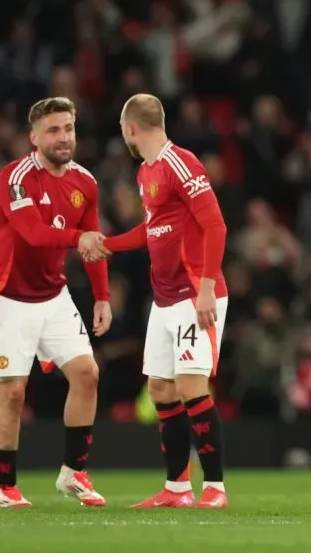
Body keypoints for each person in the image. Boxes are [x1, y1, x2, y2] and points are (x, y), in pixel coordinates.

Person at [84, 93, 229, 509]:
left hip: (194, 294)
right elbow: (153, 231)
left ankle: (215, 487)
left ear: (130, 129)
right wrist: (107, 245)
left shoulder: (180, 163)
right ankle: (178, 489)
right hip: (164, 299)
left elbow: (215, 226)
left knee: (190, 385)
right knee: (161, 388)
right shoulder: (146, 172)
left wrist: (204, 286)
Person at [0, 96, 112, 508]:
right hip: (6, 292)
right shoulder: (14, 178)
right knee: (13, 393)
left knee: (87, 373)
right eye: (53, 130)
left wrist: (102, 296)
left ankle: (73, 473)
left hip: (52, 292)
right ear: (34, 137)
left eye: (68, 128)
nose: (63, 137)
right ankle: (5, 487)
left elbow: (93, 243)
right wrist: (77, 238)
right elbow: (34, 233)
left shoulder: (85, 182)